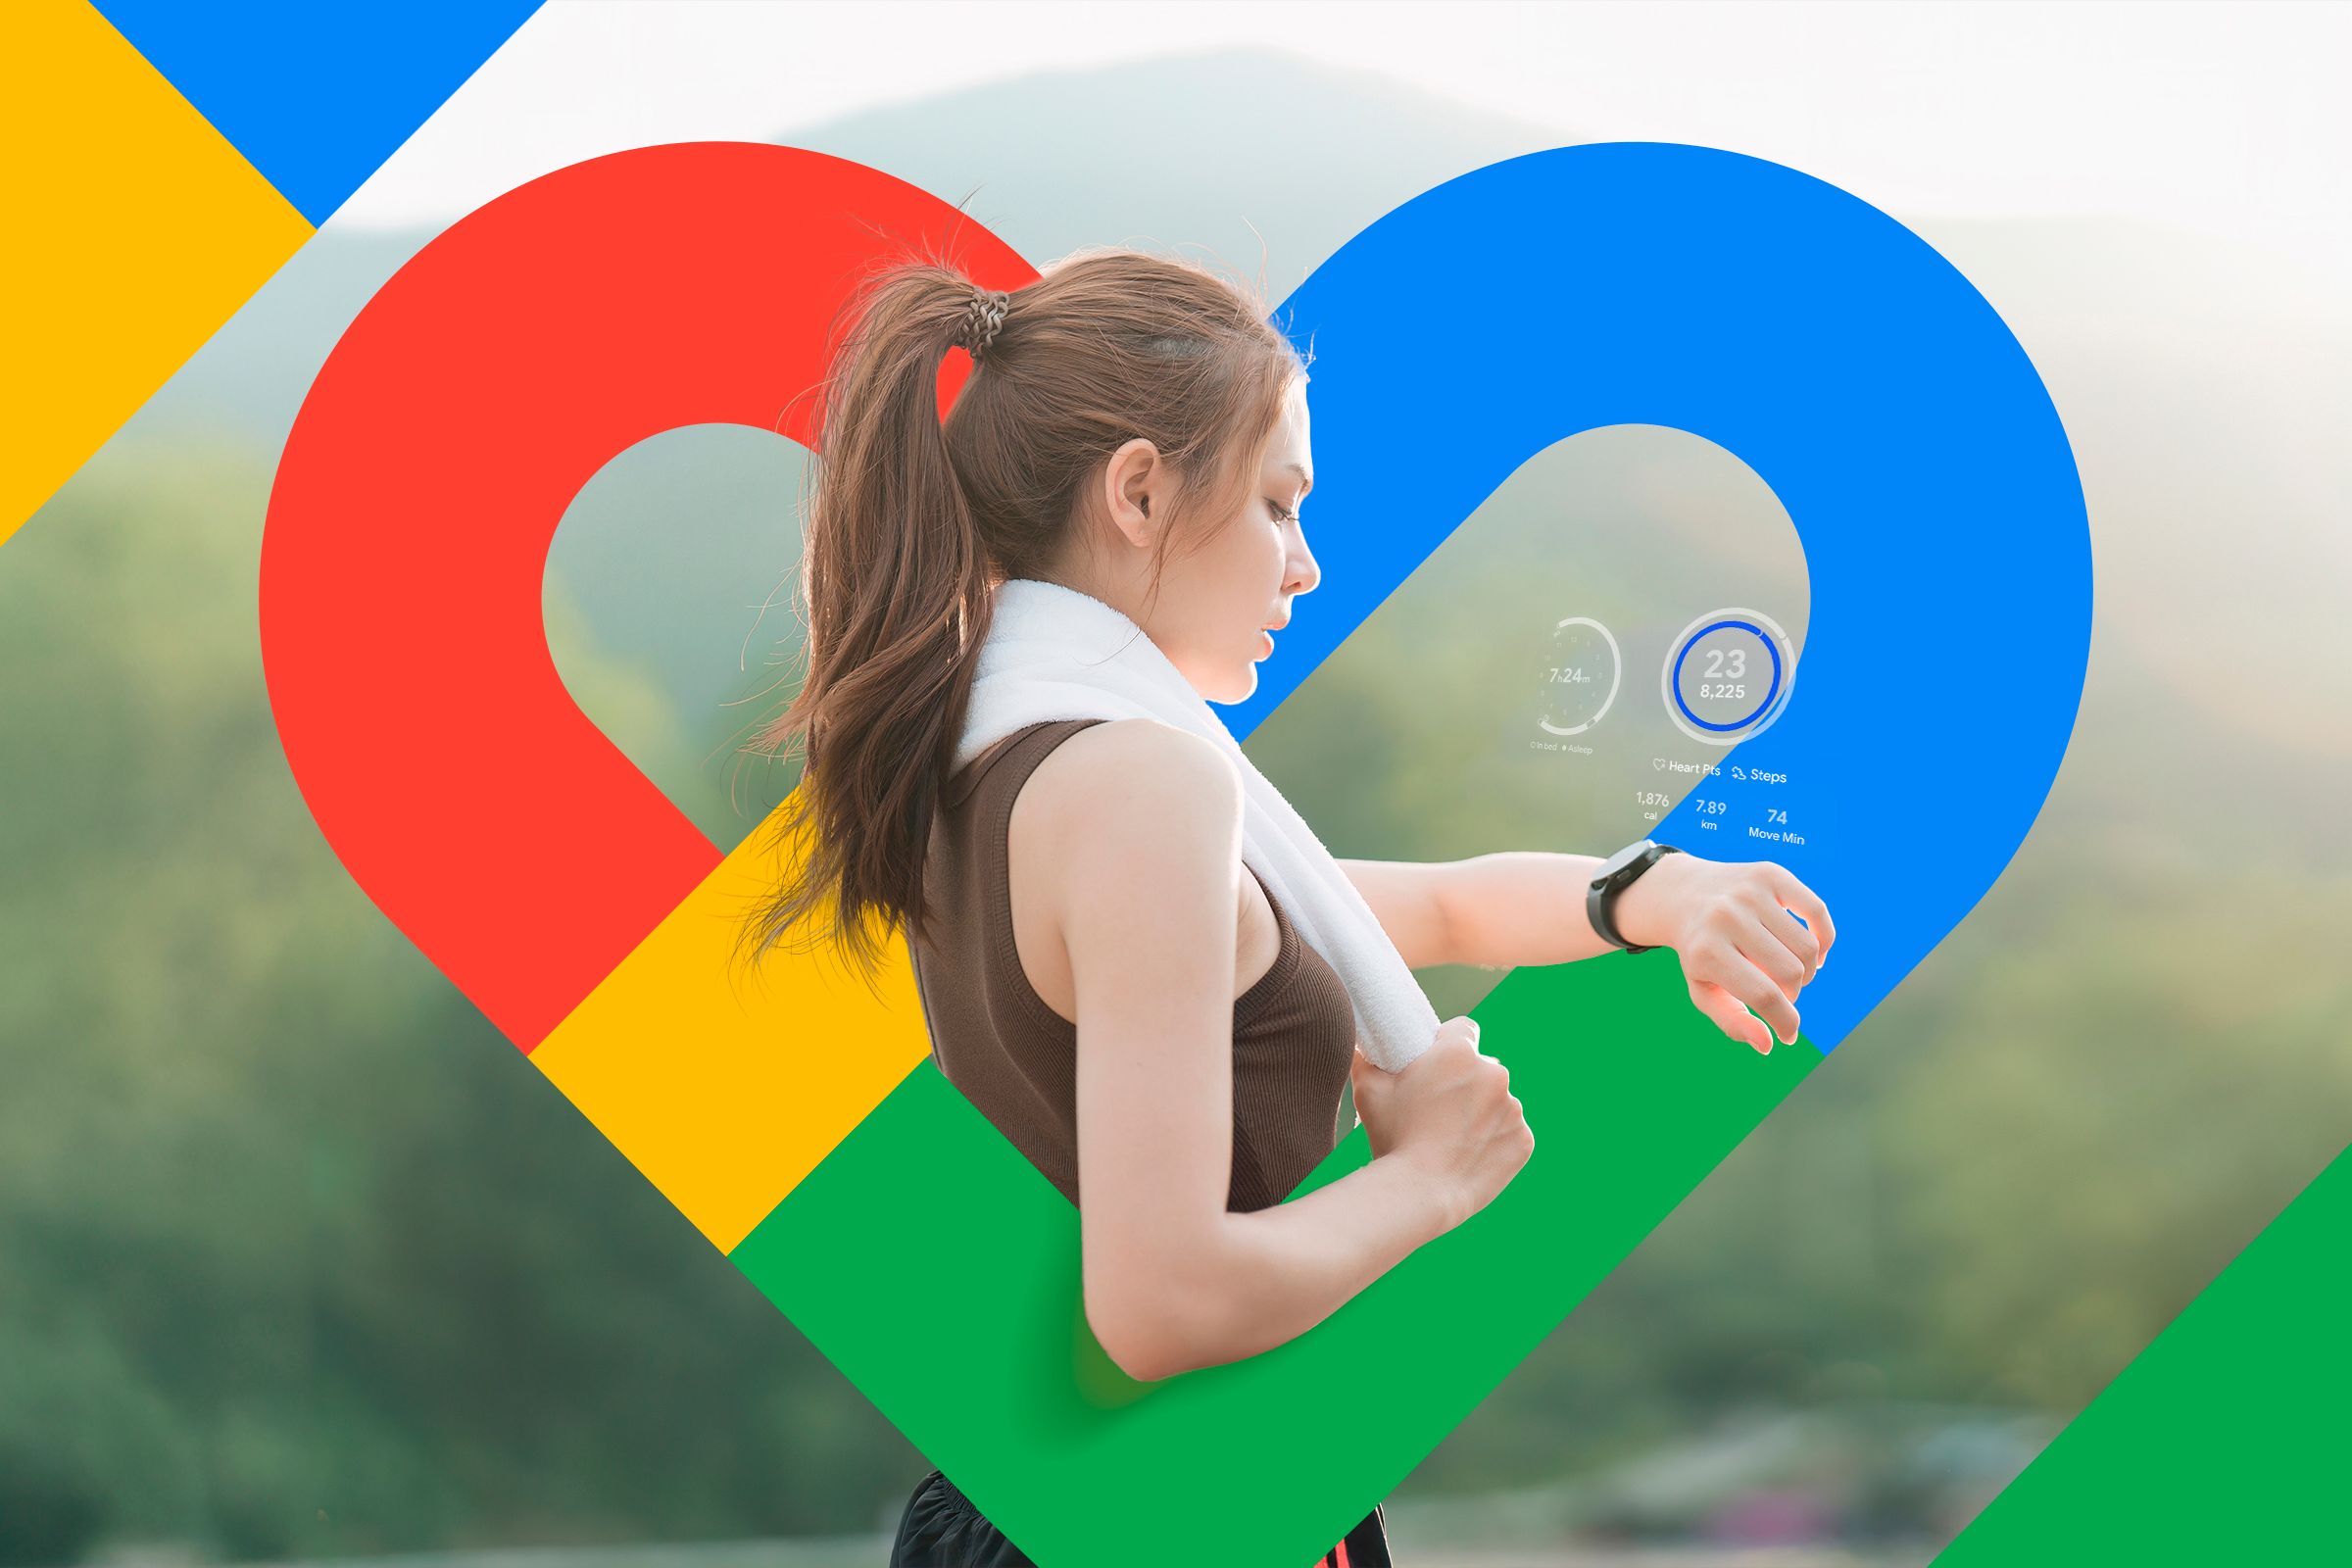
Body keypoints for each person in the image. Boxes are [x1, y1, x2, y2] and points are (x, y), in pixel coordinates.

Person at [736, 246, 1835, 1567]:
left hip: (1054, 1500)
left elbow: (1425, 909)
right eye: (1276, 505)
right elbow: (1161, 1301)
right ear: (1138, 491)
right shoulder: (1140, 785)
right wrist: (1431, 1177)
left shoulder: (993, 761)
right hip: (1170, 1517)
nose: (1304, 566)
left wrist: (1651, 892)